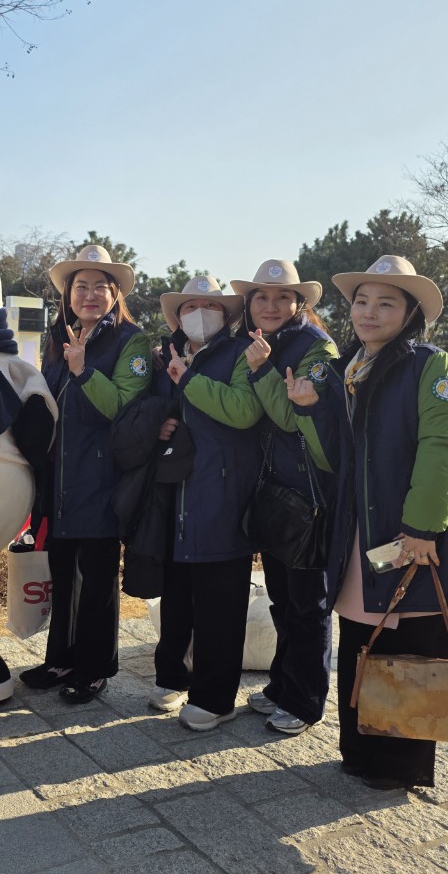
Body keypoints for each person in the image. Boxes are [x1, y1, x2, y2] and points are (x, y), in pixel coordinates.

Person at [287, 255, 448, 790]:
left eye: (385, 304)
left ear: (410, 314)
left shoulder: (431, 365)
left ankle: (398, 765)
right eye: (361, 302)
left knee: (414, 644)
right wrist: (308, 410)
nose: (369, 312)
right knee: (364, 638)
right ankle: (360, 750)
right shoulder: (350, 369)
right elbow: (336, 457)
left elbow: (446, 445)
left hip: (413, 533)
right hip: (364, 532)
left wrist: (422, 529)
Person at [20, 245, 150, 703]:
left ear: (115, 295)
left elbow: (123, 407)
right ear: (68, 295)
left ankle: (94, 668)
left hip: (102, 479)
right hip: (59, 481)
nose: (89, 295)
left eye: (100, 287)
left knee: (97, 579)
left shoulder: (131, 341)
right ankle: (61, 659)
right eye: (81, 287)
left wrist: (82, 371)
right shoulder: (59, 337)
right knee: (63, 575)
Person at [146, 276, 263, 731]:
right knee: (176, 596)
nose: (199, 313)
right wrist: (160, 425)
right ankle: (172, 676)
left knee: (220, 603)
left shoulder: (240, 354)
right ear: (177, 317)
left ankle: (216, 698)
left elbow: (243, 411)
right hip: (174, 495)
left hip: (222, 494)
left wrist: (189, 380)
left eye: (210, 306)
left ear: (227, 314)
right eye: (189, 306)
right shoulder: (166, 356)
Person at [229, 260, 338, 736]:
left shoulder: (317, 347)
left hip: (308, 495)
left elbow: (295, 419)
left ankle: (307, 700)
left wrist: (259, 371)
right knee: (281, 599)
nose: (270, 305)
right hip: (276, 492)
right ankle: (281, 684)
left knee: (308, 604)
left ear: (300, 303)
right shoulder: (260, 341)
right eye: (261, 296)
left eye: (282, 297)